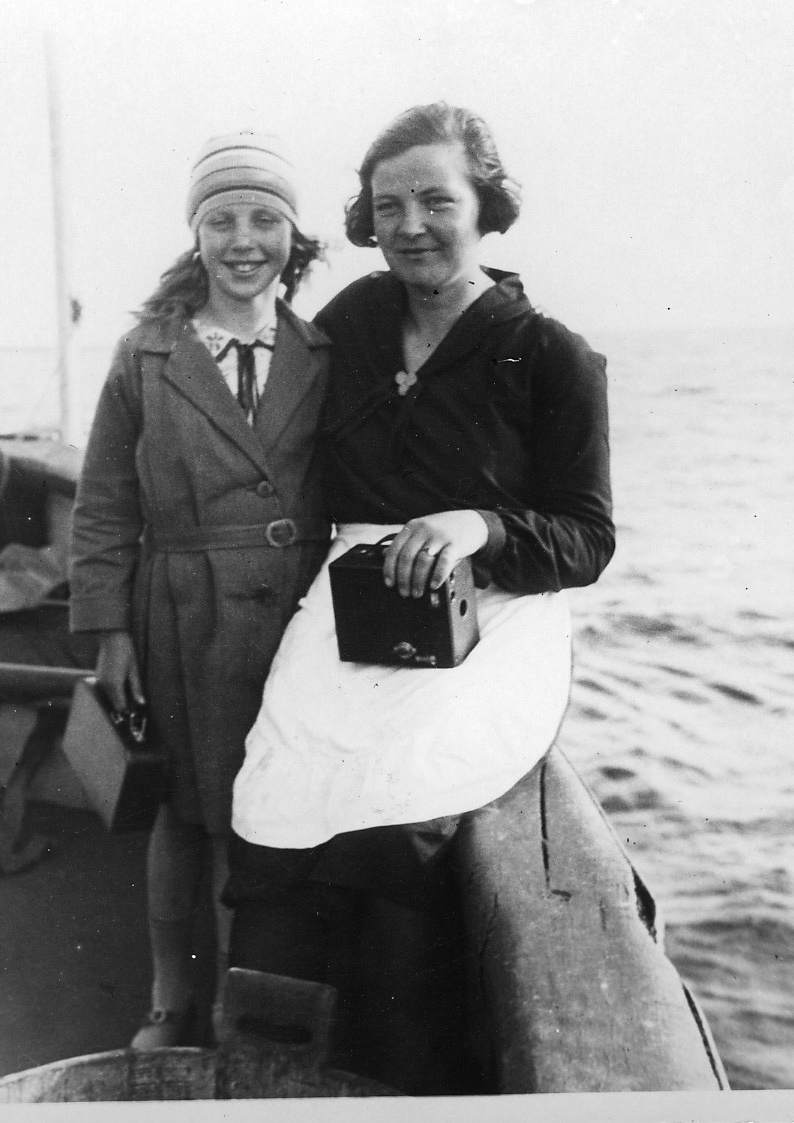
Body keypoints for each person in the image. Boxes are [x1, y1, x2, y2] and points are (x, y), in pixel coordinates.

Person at [224, 103, 615, 1091]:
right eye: (388, 205)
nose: (409, 226)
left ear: (485, 206)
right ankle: (268, 1071)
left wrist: (479, 524)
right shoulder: (352, 322)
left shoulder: (550, 355)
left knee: (405, 810)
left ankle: (393, 1076)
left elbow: (587, 537)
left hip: (493, 602)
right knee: (273, 802)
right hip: (356, 594)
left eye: (436, 201)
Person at [69, 132, 331, 1050]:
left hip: (294, 619)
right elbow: (103, 504)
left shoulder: (324, 351)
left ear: (293, 236)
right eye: (221, 220)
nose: (242, 240)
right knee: (185, 817)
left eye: (264, 218)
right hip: (180, 614)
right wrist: (111, 633)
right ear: (195, 234)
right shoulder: (144, 355)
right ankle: (167, 997)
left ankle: (231, 1007)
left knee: (255, 819)